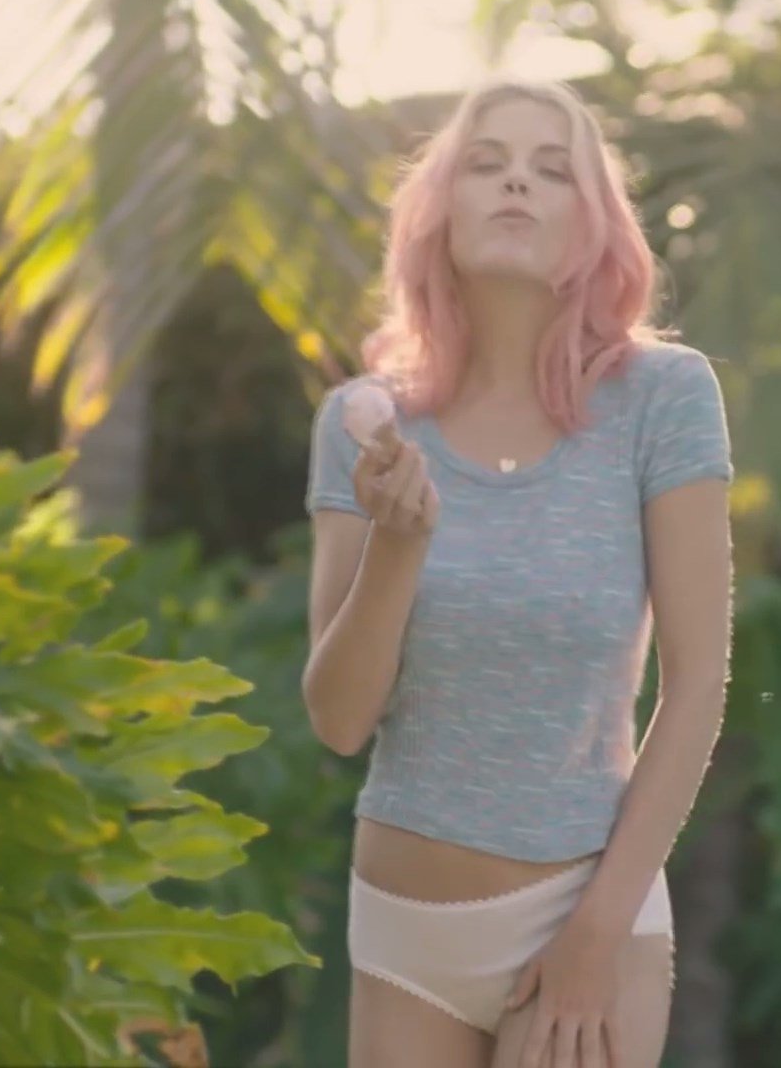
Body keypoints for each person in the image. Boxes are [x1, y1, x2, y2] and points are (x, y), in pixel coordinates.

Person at [302, 75, 734, 1068]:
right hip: (405, 935)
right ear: (439, 209)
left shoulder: (663, 398)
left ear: (593, 223)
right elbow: (338, 720)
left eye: (552, 170)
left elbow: (699, 684)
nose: (516, 184)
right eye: (487, 164)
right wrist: (398, 546)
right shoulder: (365, 426)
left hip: (583, 917)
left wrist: (595, 937)